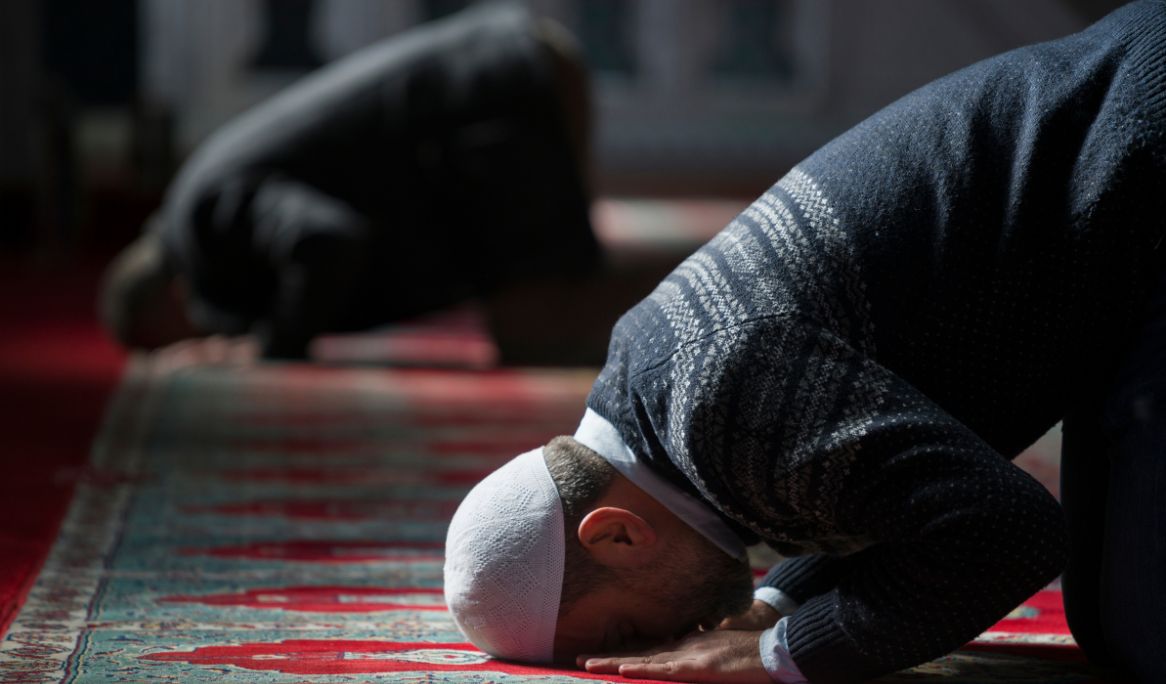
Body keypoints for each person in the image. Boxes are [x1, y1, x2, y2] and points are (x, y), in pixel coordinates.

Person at [443, 1, 1166, 681]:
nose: (662, 646)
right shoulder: (659, 390)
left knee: (1149, 636)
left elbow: (1009, 532)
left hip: (1144, 160)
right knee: (1105, 624)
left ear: (617, 535)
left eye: (628, 631)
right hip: (1118, 221)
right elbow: (873, 491)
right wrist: (776, 605)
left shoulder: (727, 399)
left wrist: (781, 655)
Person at [100, 3, 599, 360]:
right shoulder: (198, 204)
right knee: (549, 318)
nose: (204, 340)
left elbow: (326, 241)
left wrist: (273, 346)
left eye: (178, 342)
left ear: (168, 304)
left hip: (506, 91)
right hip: (516, 65)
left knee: (537, 338)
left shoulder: (206, 218)